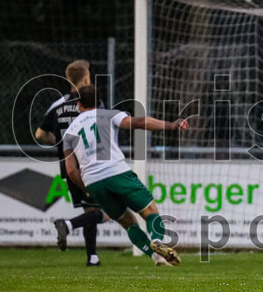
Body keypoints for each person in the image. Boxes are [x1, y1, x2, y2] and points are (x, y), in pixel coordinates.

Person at [62, 85, 188, 266]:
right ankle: (157, 240)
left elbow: (71, 170)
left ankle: (157, 257)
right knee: (150, 212)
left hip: (93, 182)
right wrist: (170, 125)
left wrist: (86, 189)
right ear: (99, 102)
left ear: (79, 104)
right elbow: (139, 123)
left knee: (128, 223)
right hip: (116, 172)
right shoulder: (109, 114)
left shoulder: (69, 132)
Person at [35, 60, 108, 266]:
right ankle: (68, 225)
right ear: (86, 79)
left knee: (90, 210)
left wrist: (60, 143)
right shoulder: (93, 104)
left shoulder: (57, 106)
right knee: (112, 209)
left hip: (68, 167)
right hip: (90, 165)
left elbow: (40, 134)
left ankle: (92, 257)